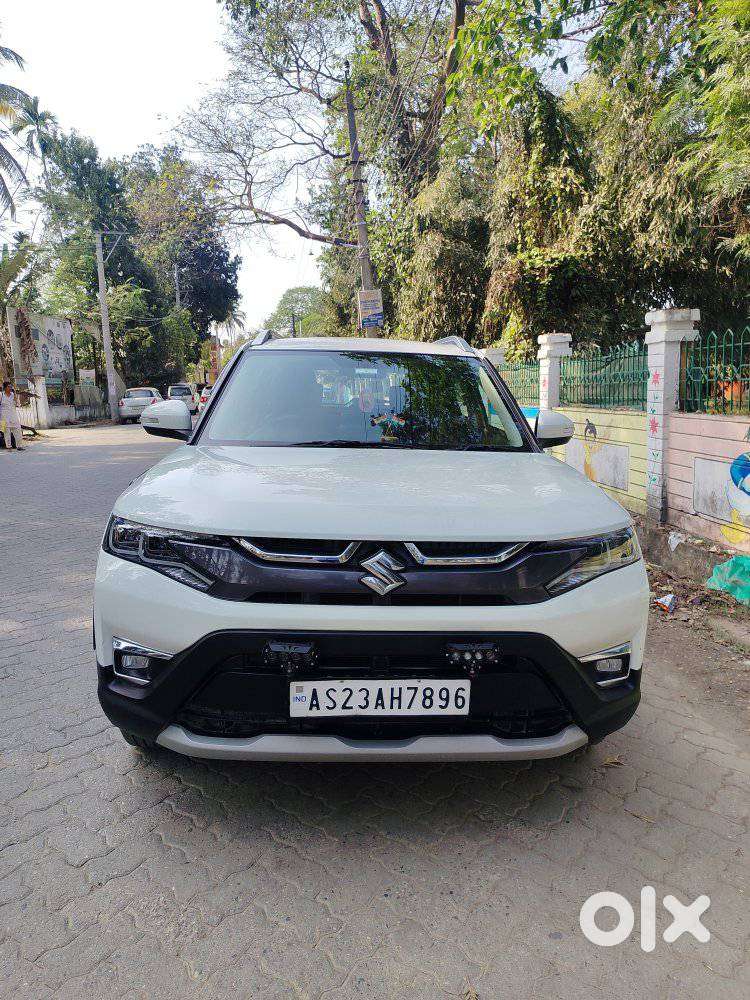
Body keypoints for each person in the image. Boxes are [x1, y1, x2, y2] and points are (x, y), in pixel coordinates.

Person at [1, 381, 24, 451]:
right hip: (3, 416)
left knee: (18, 430)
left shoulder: (13, 395)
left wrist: (16, 397)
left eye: (11, 386)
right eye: (8, 386)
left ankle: (19, 446)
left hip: (13, 415)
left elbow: (18, 405)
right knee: (6, 432)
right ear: (5, 388)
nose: (10, 388)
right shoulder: (1, 395)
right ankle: (9, 447)